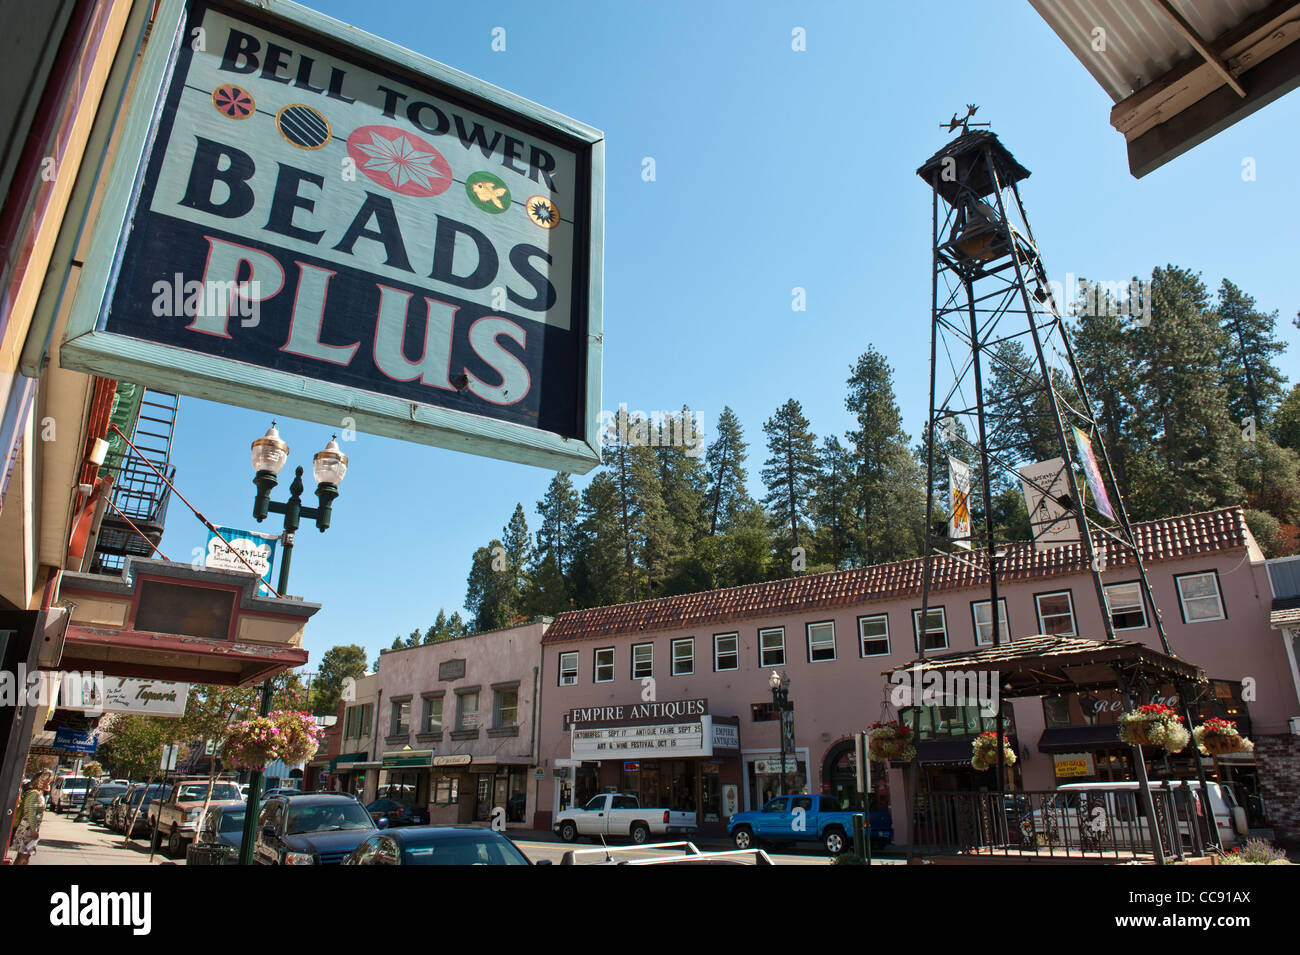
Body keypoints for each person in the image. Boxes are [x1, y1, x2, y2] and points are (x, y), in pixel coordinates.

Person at [11, 770, 52, 864]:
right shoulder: (34, 794)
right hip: (28, 828)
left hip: (30, 827)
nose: (50, 783)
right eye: (48, 781)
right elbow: (30, 813)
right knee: (23, 857)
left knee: (24, 856)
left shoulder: (38, 793)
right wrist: (33, 830)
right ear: (43, 781)